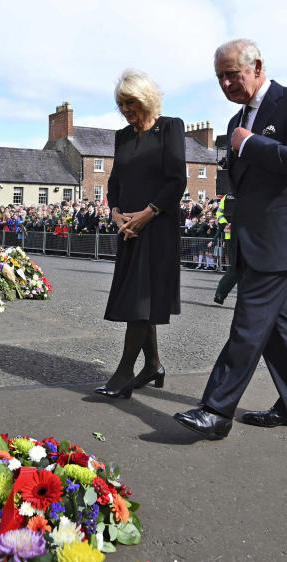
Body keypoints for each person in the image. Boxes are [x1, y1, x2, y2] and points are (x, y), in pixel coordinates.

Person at [174, 39, 287, 439]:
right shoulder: (235, 120)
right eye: (219, 77)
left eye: (232, 74)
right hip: (251, 237)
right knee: (276, 326)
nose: (225, 83)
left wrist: (249, 143)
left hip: (283, 238)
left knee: (249, 321)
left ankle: (216, 410)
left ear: (257, 67)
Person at [94, 69, 186, 399]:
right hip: (129, 230)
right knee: (139, 298)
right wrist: (116, 213)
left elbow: (177, 180)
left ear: (146, 98)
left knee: (140, 299)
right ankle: (153, 366)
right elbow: (114, 182)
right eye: (121, 104)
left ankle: (123, 374)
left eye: (130, 102)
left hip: (157, 226)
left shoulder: (170, 127)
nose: (126, 109)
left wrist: (148, 214)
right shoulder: (122, 136)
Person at [213, 195, 240, 304]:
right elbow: (219, 213)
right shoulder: (227, 197)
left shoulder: (228, 197)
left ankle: (221, 294)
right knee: (236, 267)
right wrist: (226, 224)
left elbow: (219, 213)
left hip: (241, 235)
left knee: (240, 268)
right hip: (234, 236)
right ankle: (220, 294)